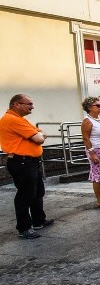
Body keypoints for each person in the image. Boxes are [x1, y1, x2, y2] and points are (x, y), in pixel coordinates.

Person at [0, 94, 54, 239]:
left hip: (29, 162)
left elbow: (39, 133)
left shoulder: (20, 119)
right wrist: (39, 135)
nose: (32, 107)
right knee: (26, 195)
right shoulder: (12, 119)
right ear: (16, 104)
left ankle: (38, 220)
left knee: (37, 192)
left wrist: (39, 134)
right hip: (21, 162)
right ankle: (24, 227)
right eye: (28, 104)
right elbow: (39, 138)